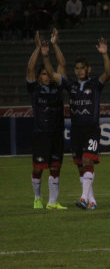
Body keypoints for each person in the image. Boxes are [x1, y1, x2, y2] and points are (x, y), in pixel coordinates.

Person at [40, 36, 110, 211]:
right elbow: (51, 74)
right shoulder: (70, 85)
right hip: (76, 130)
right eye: (77, 68)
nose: (79, 71)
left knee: (88, 161)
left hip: (91, 129)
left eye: (82, 68)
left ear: (89, 69)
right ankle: (92, 201)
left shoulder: (95, 84)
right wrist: (45, 56)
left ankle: (82, 197)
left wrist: (104, 54)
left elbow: (108, 73)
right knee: (81, 165)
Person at [27, 29, 67, 210]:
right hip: (41, 134)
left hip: (57, 133)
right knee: (38, 168)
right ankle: (37, 198)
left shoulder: (58, 87)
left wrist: (55, 45)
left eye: (48, 74)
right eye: (43, 74)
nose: (47, 76)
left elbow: (62, 66)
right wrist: (38, 48)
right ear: (39, 76)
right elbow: (29, 68)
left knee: (56, 168)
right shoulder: (34, 89)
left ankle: (52, 202)